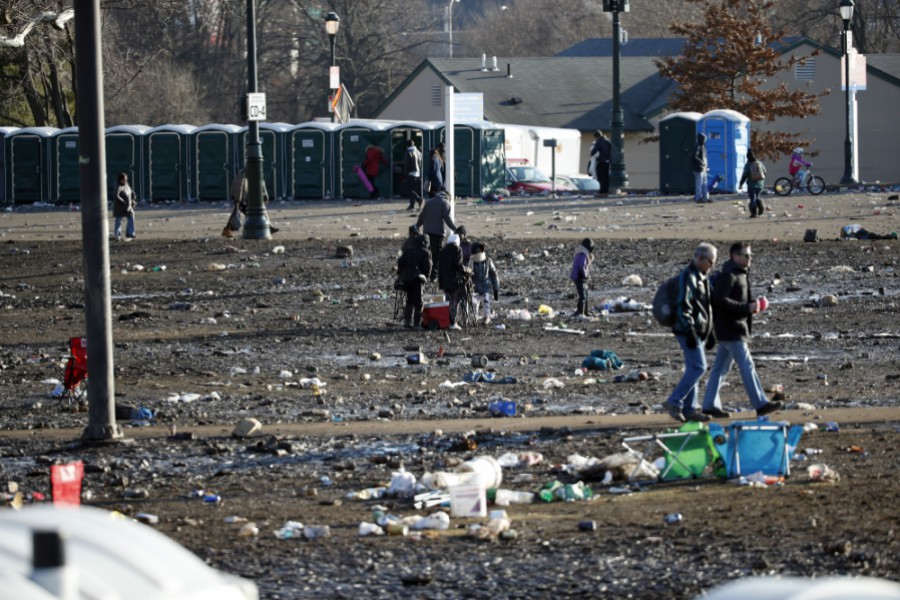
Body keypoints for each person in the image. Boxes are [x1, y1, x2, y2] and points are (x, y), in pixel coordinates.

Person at [701, 242, 783, 419]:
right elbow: (720, 301)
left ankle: (709, 405)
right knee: (746, 365)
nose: (749, 258)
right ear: (734, 256)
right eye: (745, 255)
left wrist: (752, 307)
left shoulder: (739, 274)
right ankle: (760, 403)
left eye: (750, 255)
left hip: (730, 329)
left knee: (721, 368)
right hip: (732, 329)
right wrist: (747, 307)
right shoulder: (729, 276)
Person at [662, 242, 718, 423]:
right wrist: (691, 332)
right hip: (687, 330)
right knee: (699, 367)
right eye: (711, 262)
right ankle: (674, 401)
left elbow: (704, 308)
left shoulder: (701, 277)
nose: (712, 266)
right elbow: (683, 307)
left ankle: (689, 408)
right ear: (700, 258)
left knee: (693, 367)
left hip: (697, 330)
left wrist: (709, 333)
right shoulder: (688, 277)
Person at [415, 191, 457, 281]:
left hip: (427, 232)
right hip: (438, 233)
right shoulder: (445, 202)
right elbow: (447, 218)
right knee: (437, 255)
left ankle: (425, 273)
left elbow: (421, 216)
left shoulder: (429, 202)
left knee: (427, 253)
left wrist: (416, 226)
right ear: (448, 198)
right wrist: (455, 229)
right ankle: (434, 276)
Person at [224, 168, 278, 236]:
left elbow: (261, 185)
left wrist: (265, 195)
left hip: (247, 198)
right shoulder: (243, 175)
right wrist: (238, 201)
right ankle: (229, 230)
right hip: (242, 199)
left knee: (252, 213)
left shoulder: (250, 174)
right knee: (240, 214)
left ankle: (267, 227)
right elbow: (238, 189)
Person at [397, 233, 432, 328]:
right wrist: (425, 277)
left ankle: (407, 322)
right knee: (419, 303)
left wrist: (401, 272)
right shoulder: (426, 253)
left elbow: (400, 261)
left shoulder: (408, 250)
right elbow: (427, 268)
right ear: (426, 242)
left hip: (407, 279)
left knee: (409, 300)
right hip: (418, 280)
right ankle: (416, 324)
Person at [438, 233, 469, 330]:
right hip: (454, 281)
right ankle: (452, 322)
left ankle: (447, 321)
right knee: (455, 301)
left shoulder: (443, 251)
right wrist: (467, 270)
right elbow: (458, 265)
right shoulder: (457, 249)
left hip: (444, 281)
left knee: (448, 301)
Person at [470, 241, 500, 325]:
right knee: (474, 304)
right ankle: (474, 318)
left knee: (486, 303)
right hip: (474, 288)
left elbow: (494, 274)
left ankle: (487, 317)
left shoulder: (487, 261)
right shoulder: (471, 262)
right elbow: (468, 276)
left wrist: (496, 289)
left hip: (485, 286)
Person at [569, 238, 595, 318]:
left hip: (579, 276)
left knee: (585, 293)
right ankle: (581, 312)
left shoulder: (581, 253)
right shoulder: (582, 254)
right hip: (578, 276)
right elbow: (581, 266)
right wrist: (585, 276)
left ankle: (585, 311)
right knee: (582, 295)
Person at [739, 149, 767, 218]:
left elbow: (744, 175)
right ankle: (761, 206)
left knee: (752, 199)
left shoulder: (748, 165)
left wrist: (741, 184)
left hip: (751, 185)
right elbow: (765, 172)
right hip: (760, 184)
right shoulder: (759, 163)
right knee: (757, 197)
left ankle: (754, 213)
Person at [113, 172, 137, 241]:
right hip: (119, 207)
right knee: (119, 221)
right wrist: (124, 202)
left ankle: (130, 233)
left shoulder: (126, 184)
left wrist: (133, 194)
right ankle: (117, 235)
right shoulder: (118, 186)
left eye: (126, 179)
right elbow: (116, 196)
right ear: (120, 180)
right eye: (124, 180)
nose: (125, 181)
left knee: (131, 216)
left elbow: (129, 190)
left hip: (128, 206)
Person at [589, 130, 612, 196]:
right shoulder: (607, 141)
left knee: (601, 177)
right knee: (606, 178)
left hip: (601, 161)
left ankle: (601, 192)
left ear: (596, 137)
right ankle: (605, 192)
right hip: (607, 162)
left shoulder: (599, 141)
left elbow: (593, 152)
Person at [404, 139, 423, 210]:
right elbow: (420, 163)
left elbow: (407, 164)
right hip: (418, 173)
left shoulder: (408, 152)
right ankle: (412, 205)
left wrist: (405, 173)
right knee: (414, 189)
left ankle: (419, 199)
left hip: (411, 172)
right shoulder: (418, 152)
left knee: (410, 189)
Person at [692, 133, 710, 203]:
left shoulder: (702, 146)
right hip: (698, 168)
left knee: (705, 183)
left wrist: (705, 165)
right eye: (704, 139)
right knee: (699, 183)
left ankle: (706, 197)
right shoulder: (697, 146)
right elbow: (694, 156)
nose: (705, 141)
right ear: (700, 139)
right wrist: (701, 162)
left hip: (703, 168)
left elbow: (704, 157)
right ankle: (698, 197)